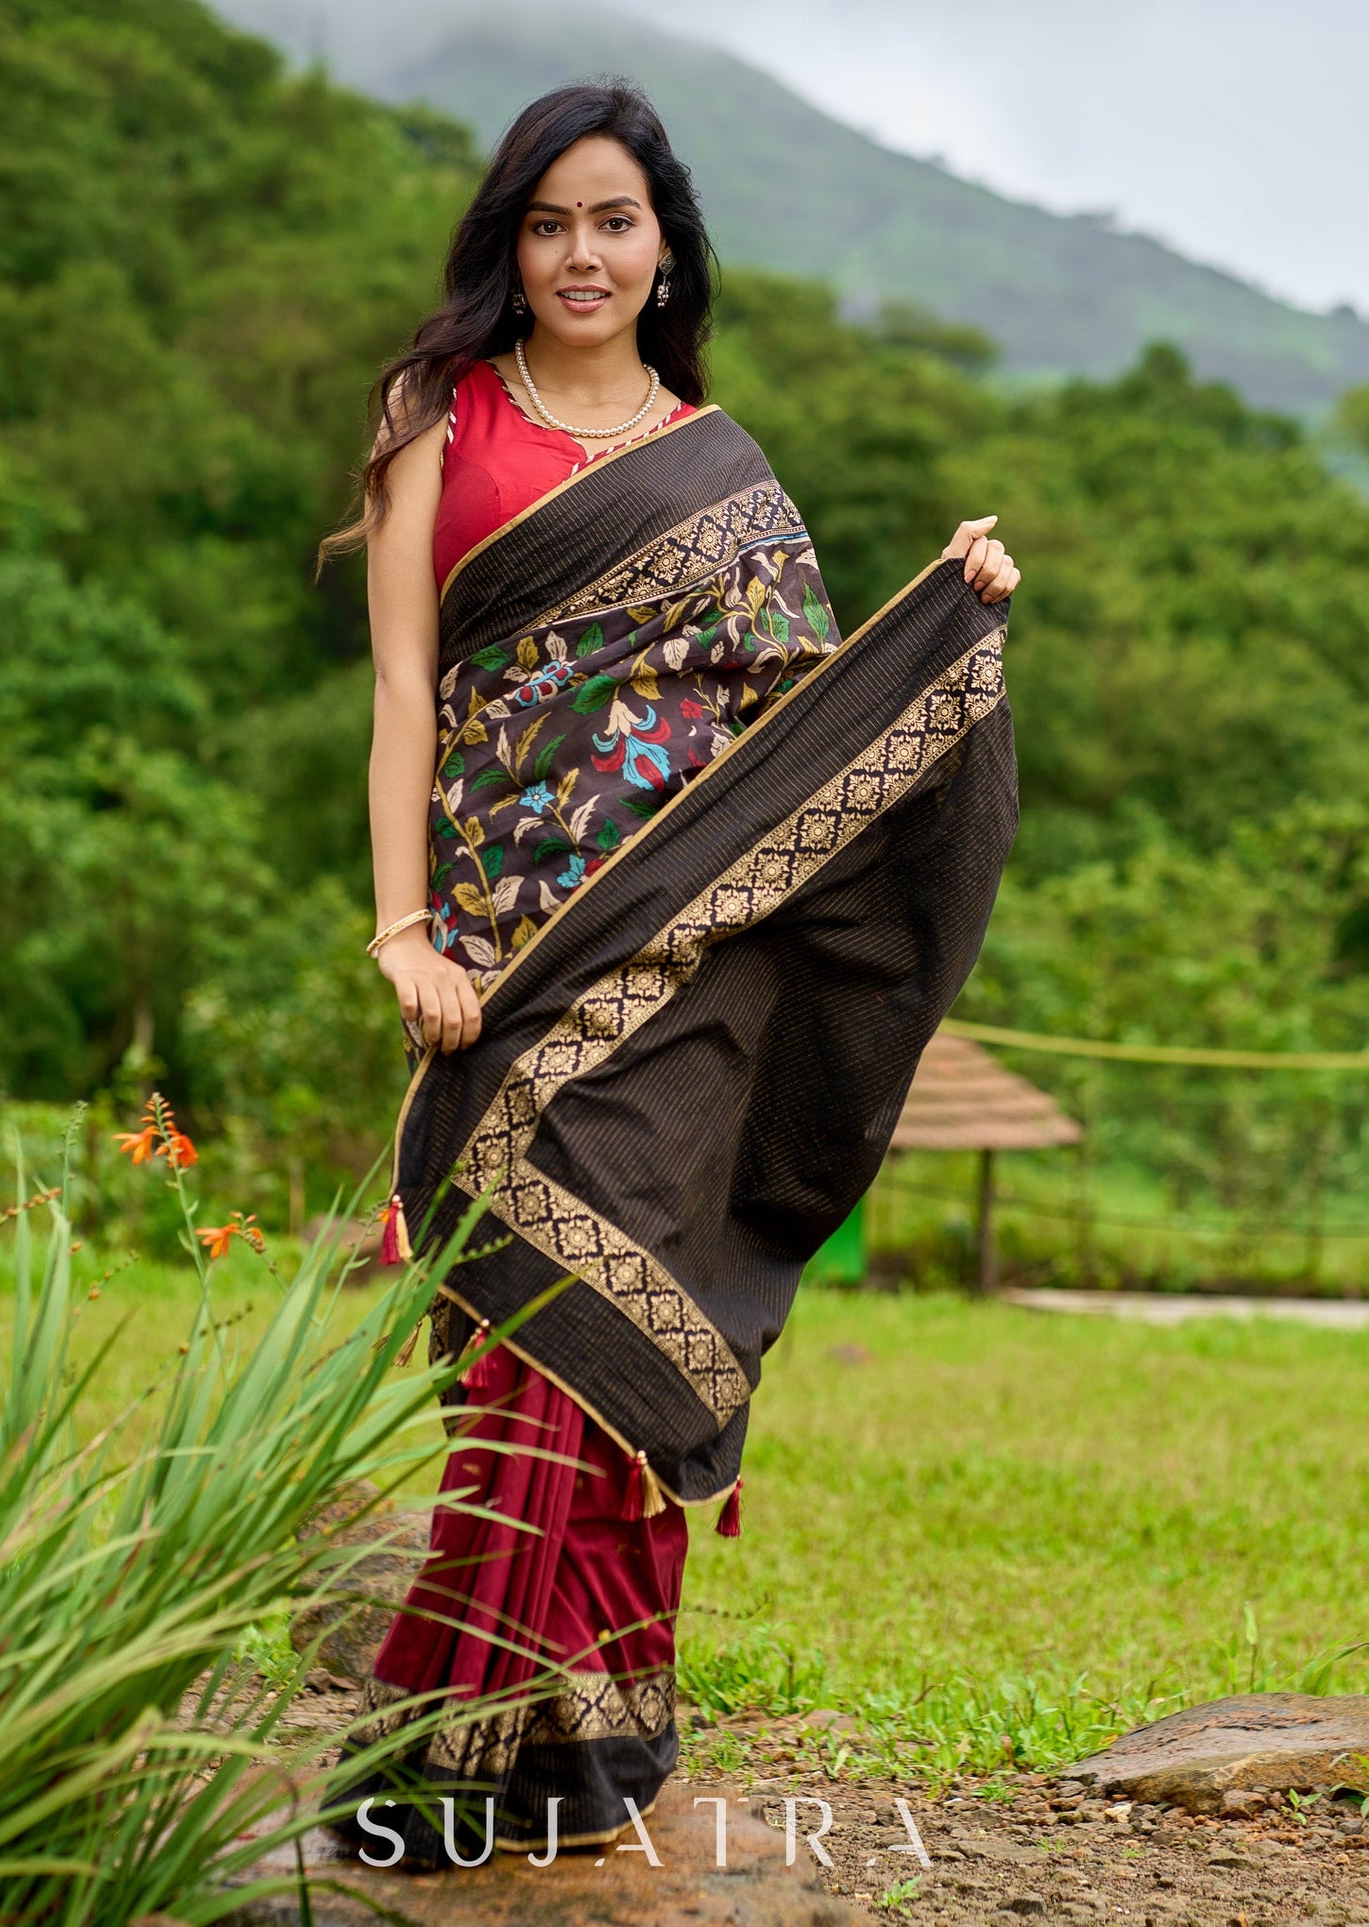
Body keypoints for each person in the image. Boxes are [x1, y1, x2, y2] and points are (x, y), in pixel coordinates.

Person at [321, 80, 1020, 1867]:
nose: (579, 252)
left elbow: (800, 745)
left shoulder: (723, 469)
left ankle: (517, 1754)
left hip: (673, 972)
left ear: (662, 247)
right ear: (511, 241)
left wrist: (955, 613)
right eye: (547, 220)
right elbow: (407, 695)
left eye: (612, 220)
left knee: (594, 1348)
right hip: (495, 961)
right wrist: (406, 931)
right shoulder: (436, 418)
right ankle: (522, 1747)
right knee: (510, 1358)